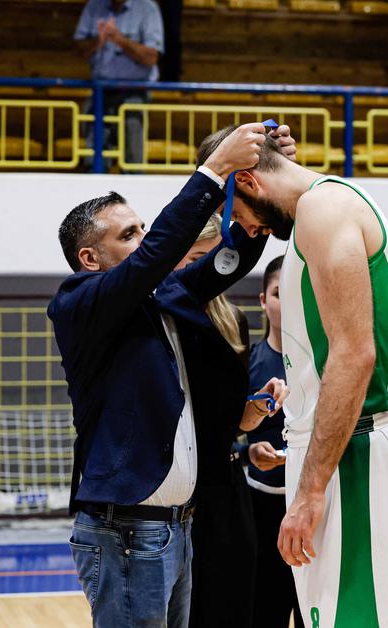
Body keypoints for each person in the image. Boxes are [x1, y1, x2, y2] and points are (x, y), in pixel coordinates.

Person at [49, 122, 279, 628]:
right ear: (90, 258)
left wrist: (255, 183)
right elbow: (157, 256)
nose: (145, 239)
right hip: (126, 530)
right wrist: (215, 168)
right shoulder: (78, 301)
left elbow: (227, 260)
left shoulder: (162, 295)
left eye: (143, 228)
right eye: (129, 234)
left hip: (176, 525)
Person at [195, 126, 388, 628]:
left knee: (354, 621)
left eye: (238, 216)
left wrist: (311, 489)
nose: (248, 230)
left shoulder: (324, 209)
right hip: (340, 450)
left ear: (247, 181)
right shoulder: (313, 215)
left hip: (354, 451)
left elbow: (354, 354)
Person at [175, 216, 284, 628]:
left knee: (235, 604)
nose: (204, 270)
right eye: (193, 260)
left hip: (226, 485)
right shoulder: (159, 315)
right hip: (178, 486)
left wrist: (255, 413)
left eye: (211, 259)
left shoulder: (233, 320)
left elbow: (234, 421)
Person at [244, 256, 305, 628]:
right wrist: (249, 452)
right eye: (280, 293)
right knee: (265, 610)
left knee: (312, 610)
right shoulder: (248, 361)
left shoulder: (322, 364)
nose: (289, 302)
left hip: (310, 503)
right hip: (261, 503)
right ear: (264, 301)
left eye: (297, 293)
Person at [74, 0, 164, 166]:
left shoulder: (147, 9)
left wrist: (119, 39)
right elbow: (77, 51)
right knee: (93, 160)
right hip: (99, 92)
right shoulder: (94, 6)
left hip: (134, 93)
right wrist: (98, 41)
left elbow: (151, 57)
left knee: (132, 160)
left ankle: (133, 180)